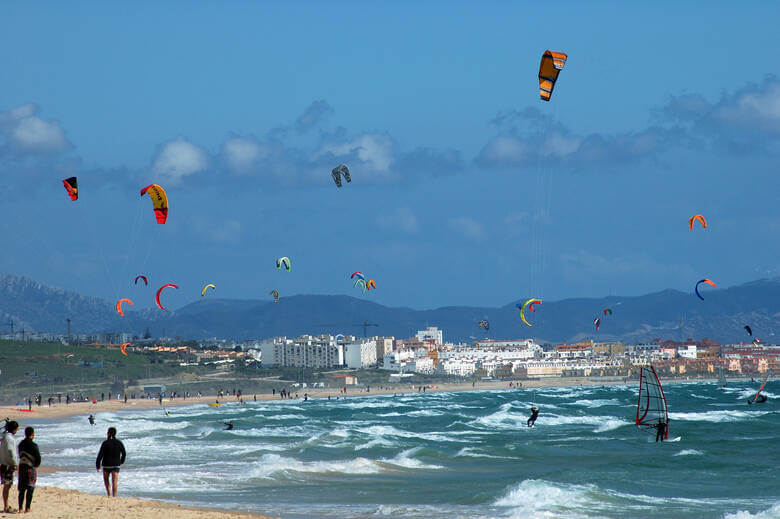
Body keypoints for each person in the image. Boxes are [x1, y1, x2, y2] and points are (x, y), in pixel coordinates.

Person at [96, 427, 126, 497]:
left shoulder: (105, 443)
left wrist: (98, 465)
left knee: (106, 480)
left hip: (106, 465)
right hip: (116, 464)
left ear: (108, 433)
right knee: (114, 481)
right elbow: (124, 453)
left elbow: (100, 455)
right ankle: (114, 496)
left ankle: (109, 494)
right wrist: (121, 461)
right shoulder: (119, 442)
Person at [17, 426, 41, 513]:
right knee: (30, 488)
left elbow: (20, 455)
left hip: (22, 467)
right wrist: (36, 465)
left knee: (22, 489)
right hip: (31, 468)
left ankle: (20, 508)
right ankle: (27, 508)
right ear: (32, 435)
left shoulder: (20, 444)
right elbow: (38, 458)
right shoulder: (34, 445)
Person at [1, 421, 19, 513]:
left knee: (7, 486)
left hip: (4, 464)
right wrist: (15, 464)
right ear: (14, 429)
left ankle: (6, 505)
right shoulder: (9, 438)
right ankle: (6, 506)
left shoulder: (5, 437)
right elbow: (11, 452)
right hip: (8, 465)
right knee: (7, 486)